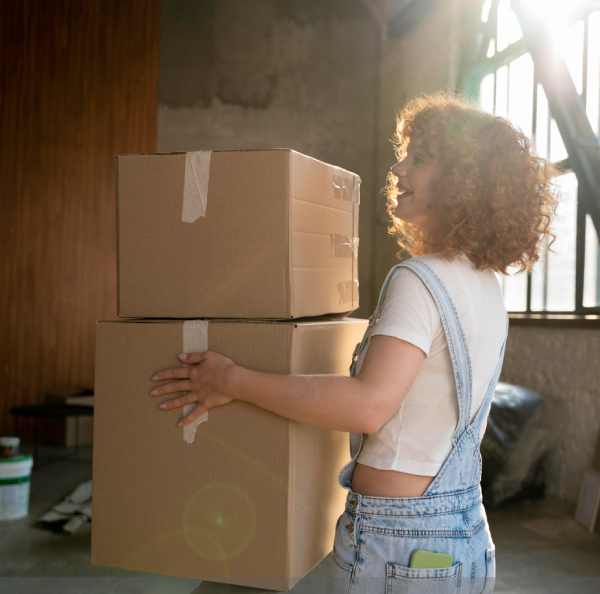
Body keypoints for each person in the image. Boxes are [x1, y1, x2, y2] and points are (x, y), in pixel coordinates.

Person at [149, 92, 558, 593]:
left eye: (420, 159)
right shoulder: (484, 285)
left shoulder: (419, 279)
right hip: (463, 533)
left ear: (462, 182)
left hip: (399, 543)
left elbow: (368, 405)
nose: (398, 168)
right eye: (405, 153)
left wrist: (233, 380)